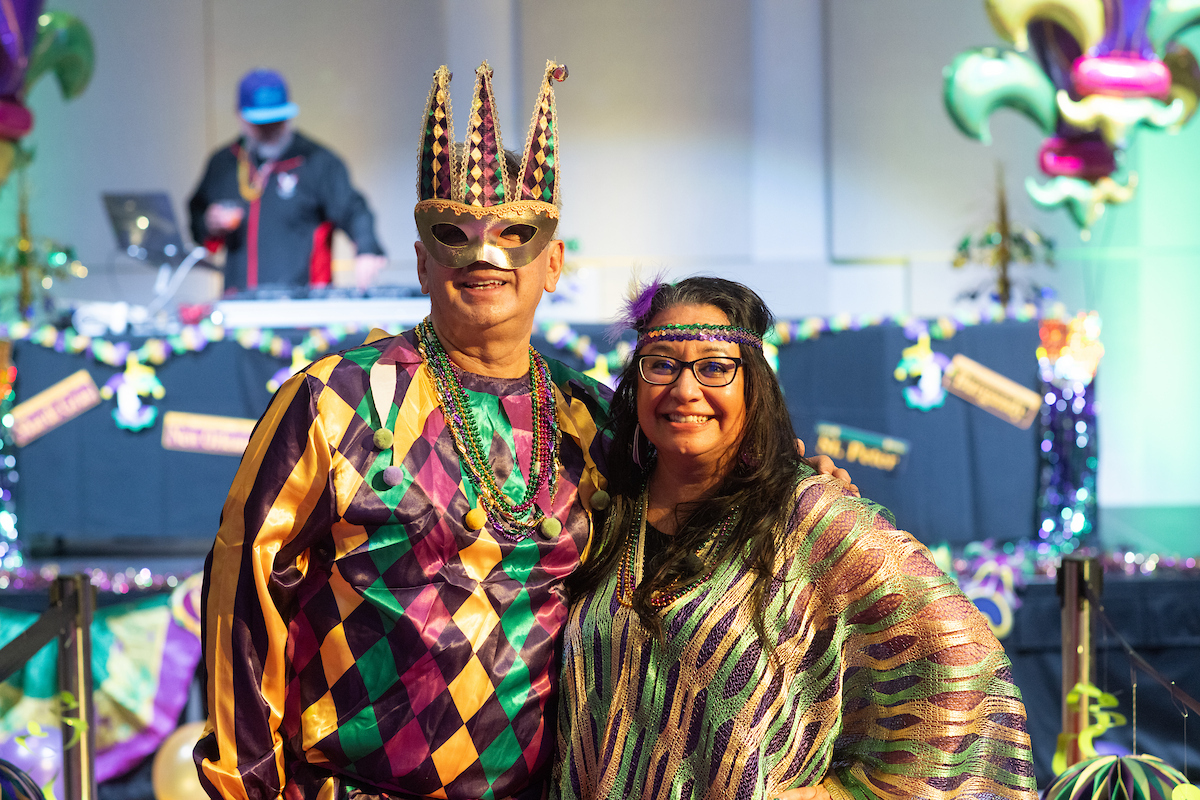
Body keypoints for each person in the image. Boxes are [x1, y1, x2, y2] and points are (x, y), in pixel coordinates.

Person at [194, 63, 849, 800]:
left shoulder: (595, 419)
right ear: (420, 260)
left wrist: (793, 482)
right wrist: (245, 788)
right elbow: (243, 597)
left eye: (514, 235)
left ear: (554, 263)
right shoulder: (333, 403)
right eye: (455, 235)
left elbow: (697, 500)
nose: (485, 256)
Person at [553, 277, 1038, 800]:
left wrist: (838, 795)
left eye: (715, 367)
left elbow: (962, 661)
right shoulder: (604, 505)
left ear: (753, 385)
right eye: (662, 363)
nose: (684, 389)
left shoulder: (806, 515)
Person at [188, 68, 386, 293]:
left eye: (276, 121)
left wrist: (367, 250)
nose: (269, 130)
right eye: (260, 124)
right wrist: (208, 222)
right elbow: (197, 220)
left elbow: (354, 210)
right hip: (239, 302)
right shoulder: (224, 163)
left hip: (302, 305)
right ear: (239, 115)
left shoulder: (316, 161)